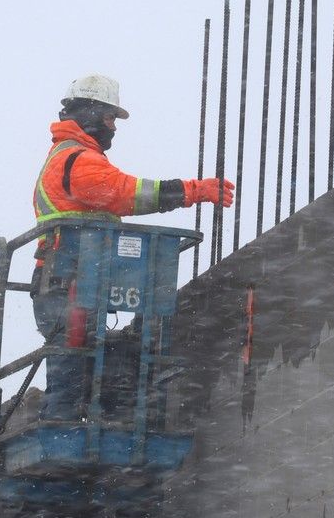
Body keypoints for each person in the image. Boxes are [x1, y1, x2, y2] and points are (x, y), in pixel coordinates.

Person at [31, 74, 234, 420]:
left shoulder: (73, 156)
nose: (113, 126)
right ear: (90, 113)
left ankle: (80, 419)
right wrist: (190, 191)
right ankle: (62, 424)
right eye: (110, 117)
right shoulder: (76, 159)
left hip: (72, 280)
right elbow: (123, 192)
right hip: (67, 281)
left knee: (82, 356)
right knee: (72, 357)